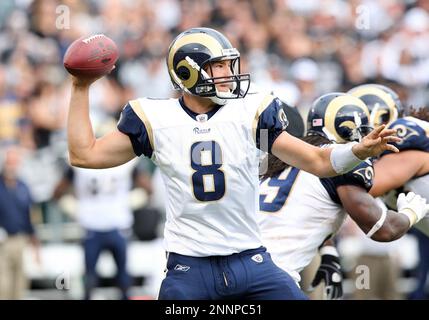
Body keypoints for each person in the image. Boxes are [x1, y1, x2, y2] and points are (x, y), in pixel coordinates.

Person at [67, 27, 400, 300]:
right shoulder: (154, 118)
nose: (230, 74)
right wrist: (81, 87)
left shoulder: (250, 112)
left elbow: (316, 161)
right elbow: (85, 154)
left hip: (250, 261)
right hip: (189, 268)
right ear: (188, 71)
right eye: (220, 66)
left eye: (230, 65)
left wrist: (356, 151)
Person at [256, 92, 428, 300]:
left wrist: (328, 251)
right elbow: (383, 230)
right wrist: (411, 213)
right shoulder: (344, 166)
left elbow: (310, 204)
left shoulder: (288, 160)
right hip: (271, 276)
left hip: (241, 262)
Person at [0, 146, 40, 299]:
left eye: (14, 162)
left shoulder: (23, 186)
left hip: (21, 240)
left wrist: (36, 247)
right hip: (3, 243)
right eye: (9, 162)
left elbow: (30, 218)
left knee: (20, 285)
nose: (12, 166)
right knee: (3, 285)